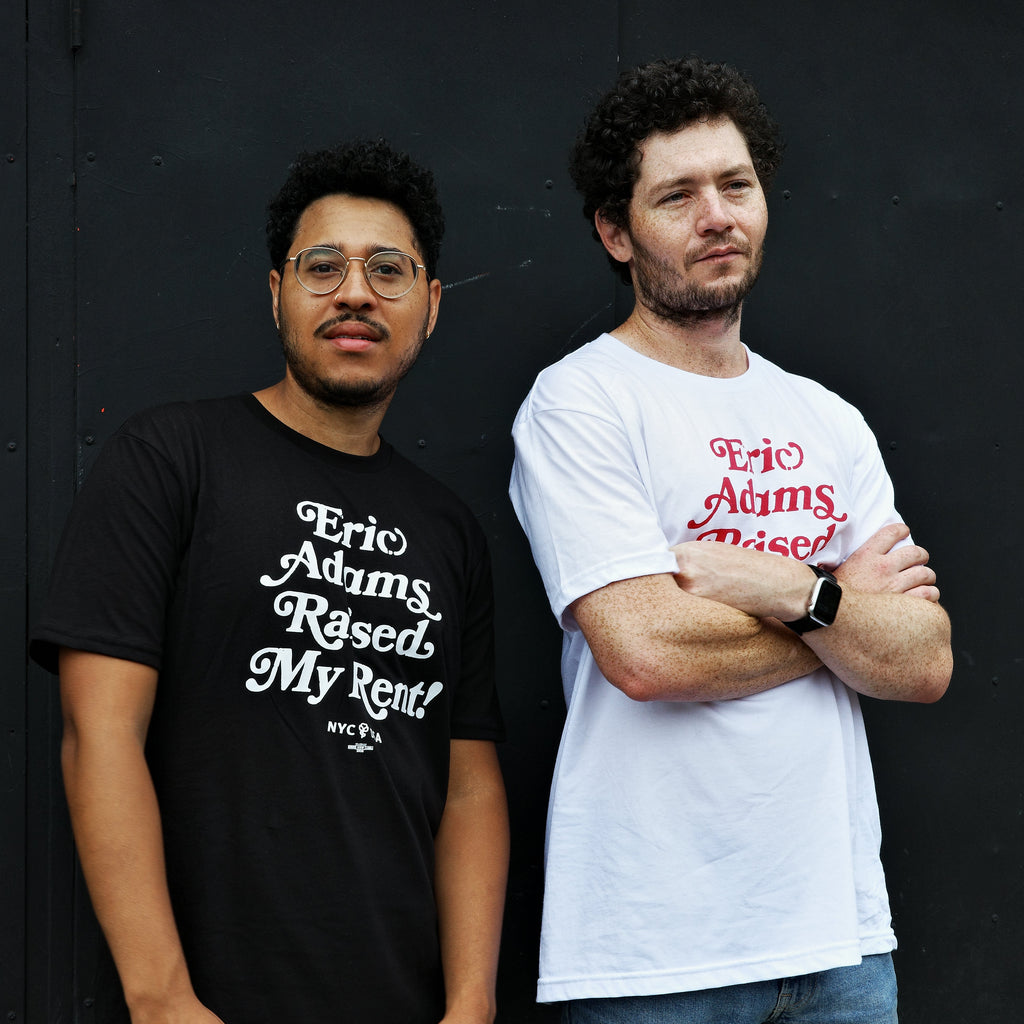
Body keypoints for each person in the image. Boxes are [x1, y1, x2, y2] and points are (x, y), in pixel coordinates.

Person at [509, 57, 952, 1024]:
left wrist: (792, 588)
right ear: (615, 231)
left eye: (736, 185)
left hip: (840, 944)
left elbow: (922, 661)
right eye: (678, 195)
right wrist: (844, 610)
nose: (718, 215)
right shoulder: (580, 403)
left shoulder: (827, 418)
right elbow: (647, 651)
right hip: (653, 955)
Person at [31, 139, 509, 1024]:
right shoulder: (170, 461)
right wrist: (163, 998)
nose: (355, 292)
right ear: (277, 293)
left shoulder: (448, 532)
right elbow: (97, 735)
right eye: (322, 265)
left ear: (431, 305)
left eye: (389, 270)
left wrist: (471, 1004)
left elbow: (469, 781)